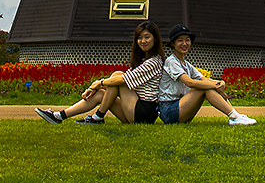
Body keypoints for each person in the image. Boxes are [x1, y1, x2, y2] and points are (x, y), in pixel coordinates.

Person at [35, 20, 166, 125]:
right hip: (133, 109)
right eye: (140, 38)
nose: (143, 41)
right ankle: (60, 116)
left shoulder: (154, 62)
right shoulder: (143, 60)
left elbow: (123, 80)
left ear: (155, 39)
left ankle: (98, 116)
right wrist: (95, 88)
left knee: (118, 76)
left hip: (145, 112)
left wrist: (98, 83)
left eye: (147, 37)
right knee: (101, 94)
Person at [157, 24, 256, 125]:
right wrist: (214, 85)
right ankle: (235, 116)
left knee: (207, 85)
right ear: (172, 43)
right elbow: (190, 82)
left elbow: (204, 79)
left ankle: (235, 116)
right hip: (168, 110)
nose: (184, 43)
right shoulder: (171, 61)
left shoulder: (186, 64)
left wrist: (220, 83)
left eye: (187, 40)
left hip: (181, 107)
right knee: (204, 87)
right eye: (180, 40)